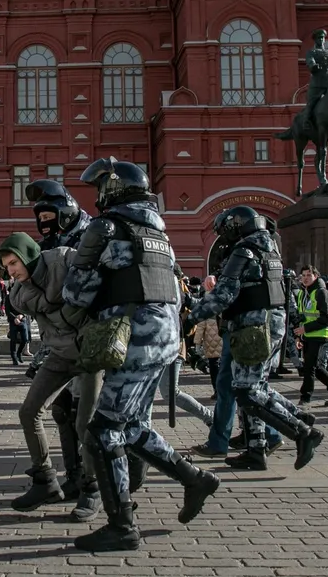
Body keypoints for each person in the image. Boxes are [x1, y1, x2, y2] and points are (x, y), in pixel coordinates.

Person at [64, 157, 221, 552]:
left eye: (101, 187)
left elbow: (76, 293)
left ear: (114, 188)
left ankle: (121, 526)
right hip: (163, 340)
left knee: (102, 432)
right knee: (131, 427)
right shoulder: (158, 231)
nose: (97, 195)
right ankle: (194, 479)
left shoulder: (106, 226)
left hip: (131, 338)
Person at [186, 205, 322, 472]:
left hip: (253, 328)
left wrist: (190, 313)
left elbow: (224, 295)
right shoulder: (270, 250)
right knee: (252, 385)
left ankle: (302, 431)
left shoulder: (244, 252)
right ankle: (257, 448)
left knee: (248, 391)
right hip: (270, 325)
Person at [0, 231, 102, 522]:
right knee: (29, 411)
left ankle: (92, 489)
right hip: (58, 354)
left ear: (28, 255)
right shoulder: (18, 293)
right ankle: (45, 481)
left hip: (90, 353)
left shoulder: (63, 259)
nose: (11, 270)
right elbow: (32, 304)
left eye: (14, 262)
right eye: (6, 266)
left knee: (85, 424)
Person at [294, 266, 328, 407]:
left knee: (310, 367)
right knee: (314, 366)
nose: (305, 278)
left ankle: (305, 396)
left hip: (319, 333)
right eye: (303, 275)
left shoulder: (320, 292)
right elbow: (302, 316)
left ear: (316, 276)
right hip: (308, 334)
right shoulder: (302, 293)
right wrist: (299, 336)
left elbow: (326, 318)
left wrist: (305, 328)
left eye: (309, 275)